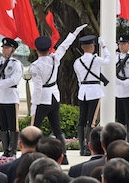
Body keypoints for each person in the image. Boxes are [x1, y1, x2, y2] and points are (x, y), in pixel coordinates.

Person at [30, 24, 87, 165]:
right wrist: (74, 32)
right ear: (49, 49)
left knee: (35, 128)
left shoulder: (35, 66)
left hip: (43, 99)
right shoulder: (54, 59)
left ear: (36, 49)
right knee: (57, 127)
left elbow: (37, 90)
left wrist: (33, 108)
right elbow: (64, 46)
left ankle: (34, 155)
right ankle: (64, 155)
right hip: (55, 96)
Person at [74, 34, 110, 156]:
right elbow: (108, 60)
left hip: (82, 91)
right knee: (92, 121)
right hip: (94, 91)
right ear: (90, 46)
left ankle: (81, 148)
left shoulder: (77, 62)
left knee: (81, 120)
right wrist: (104, 46)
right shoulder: (96, 60)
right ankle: (90, 147)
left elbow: (79, 79)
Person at [0, 37, 23, 157]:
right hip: (0, 97)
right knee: (3, 125)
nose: (4, 50)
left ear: (13, 50)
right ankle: (5, 151)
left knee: (13, 126)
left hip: (11, 97)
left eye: (7, 48)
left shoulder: (16, 64)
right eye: (3, 48)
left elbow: (14, 79)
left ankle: (13, 151)